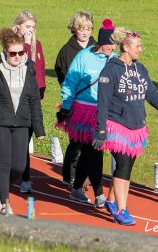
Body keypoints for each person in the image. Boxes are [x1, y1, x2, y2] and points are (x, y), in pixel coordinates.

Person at [93, 27, 158, 226]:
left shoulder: (140, 69)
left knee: (126, 166)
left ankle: (111, 200)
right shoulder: (110, 70)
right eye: (138, 46)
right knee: (123, 165)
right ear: (126, 47)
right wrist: (101, 131)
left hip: (136, 127)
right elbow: (102, 103)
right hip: (116, 125)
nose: (141, 49)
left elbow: (150, 92)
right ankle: (122, 210)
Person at [0, 28, 45, 216]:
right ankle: (4, 201)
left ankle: (0, 187)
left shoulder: (29, 67)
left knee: (19, 167)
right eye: (13, 53)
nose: (17, 57)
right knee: (4, 163)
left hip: (21, 122)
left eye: (20, 53)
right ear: (5, 51)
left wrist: (39, 128)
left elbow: (34, 99)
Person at [55, 19, 116, 208]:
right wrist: (66, 106)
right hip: (83, 111)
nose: (113, 48)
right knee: (93, 150)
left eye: (115, 44)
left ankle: (76, 188)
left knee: (90, 151)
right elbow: (70, 82)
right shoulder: (84, 56)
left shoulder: (114, 59)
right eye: (110, 44)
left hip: (103, 112)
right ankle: (99, 193)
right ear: (102, 42)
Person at [54, 11, 96, 185]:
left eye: (88, 29)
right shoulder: (66, 51)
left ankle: (86, 176)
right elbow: (61, 72)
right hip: (76, 101)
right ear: (74, 29)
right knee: (77, 141)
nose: (85, 32)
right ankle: (69, 174)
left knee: (92, 142)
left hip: (94, 102)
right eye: (81, 29)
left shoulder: (97, 48)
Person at [12, 10, 45, 193]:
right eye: (27, 26)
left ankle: (21, 173)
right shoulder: (13, 44)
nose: (30, 30)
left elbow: (40, 69)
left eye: (33, 26)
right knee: (21, 139)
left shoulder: (37, 45)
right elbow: (19, 66)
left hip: (34, 100)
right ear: (18, 26)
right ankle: (25, 178)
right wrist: (25, 44)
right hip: (18, 99)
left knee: (27, 137)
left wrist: (41, 91)